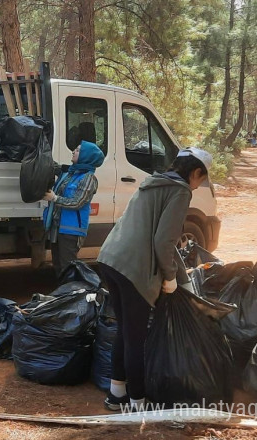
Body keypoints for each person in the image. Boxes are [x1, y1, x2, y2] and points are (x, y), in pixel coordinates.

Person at [96, 147, 212, 412]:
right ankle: (137, 403)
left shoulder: (153, 183)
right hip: (133, 267)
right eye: (201, 180)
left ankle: (116, 395)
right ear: (195, 173)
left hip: (110, 259)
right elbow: (164, 241)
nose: (198, 186)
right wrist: (170, 278)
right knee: (136, 337)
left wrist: (179, 276)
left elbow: (164, 241)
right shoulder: (180, 191)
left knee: (125, 331)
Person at [42, 140, 105, 277]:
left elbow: (77, 202)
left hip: (71, 230)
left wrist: (55, 198)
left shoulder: (89, 178)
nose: (73, 151)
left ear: (85, 156)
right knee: (58, 266)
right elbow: (52, 166)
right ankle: (64, 295)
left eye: (77, 150)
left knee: (68, 268)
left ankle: (73, 293)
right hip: (57, 227)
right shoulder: (69, 173)